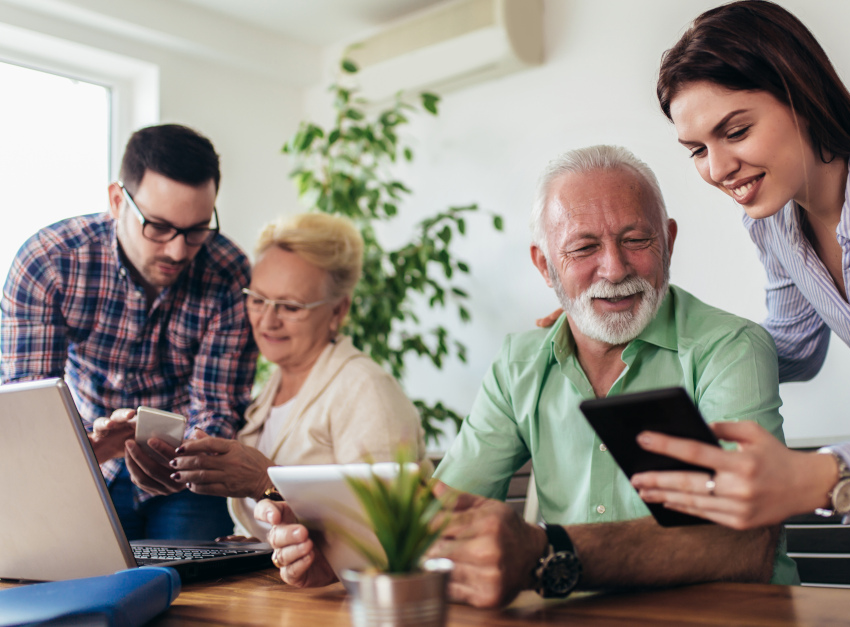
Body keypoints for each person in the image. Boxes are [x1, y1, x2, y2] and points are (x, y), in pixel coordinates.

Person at [257, 145, 799, 608]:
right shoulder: (520, 363)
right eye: (584, 247)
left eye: (637, 240)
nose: (614, 268)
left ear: (669, 242)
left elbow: (747, 543)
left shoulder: (730, 348)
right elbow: (444, 512)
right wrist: (348, 553)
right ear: (545, 266)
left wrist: (547, 551)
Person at [628, 0, 850, 591]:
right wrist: (639, 335)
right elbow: (791, 349)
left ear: (801, 95)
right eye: (697, 149)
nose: (718, 168)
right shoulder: (774, 222)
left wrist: (815, 476)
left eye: (735, 131)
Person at [0, 124, 257, 541]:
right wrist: (91, 448)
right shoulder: (49, 262)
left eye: (196, 229)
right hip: (86, 461)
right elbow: (34, 412)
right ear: (117, 201)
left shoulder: (228, 273)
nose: (178, 251)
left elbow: (218, 409)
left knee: (195, 579)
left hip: (187, 473)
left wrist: (180, 455)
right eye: (159, 226)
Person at [161, 213, 426, 539]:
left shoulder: (366, 390)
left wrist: (263, 481)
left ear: (338, 311)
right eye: (258, 300)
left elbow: (385, 528)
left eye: (290, 307)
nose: (267, 321)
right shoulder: (268, 394)